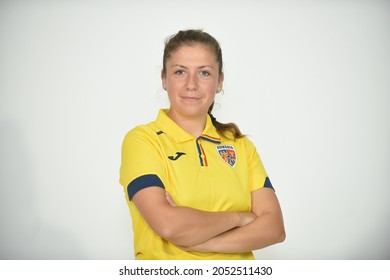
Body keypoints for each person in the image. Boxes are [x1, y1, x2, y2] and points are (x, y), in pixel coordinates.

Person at [119, 29, 285, 260]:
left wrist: (203, 242)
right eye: (179, 72)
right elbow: (169, 226)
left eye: (204, 73)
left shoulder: (240, 145)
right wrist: (240, 217)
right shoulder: (143, 140)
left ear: (220, 82)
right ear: (164, 80)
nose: (191, 84)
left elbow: (274, 229)